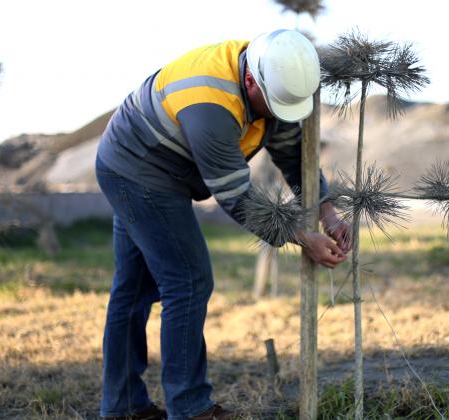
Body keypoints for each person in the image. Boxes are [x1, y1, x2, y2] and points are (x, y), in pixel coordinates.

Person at [95, 29, 351, 420]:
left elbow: (294, 156)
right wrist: (303, 238)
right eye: (276, 103)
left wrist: (327, 210)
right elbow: (236, 196)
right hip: (139, 170)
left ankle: (123, 407)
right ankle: (190, 407)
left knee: (134, 289)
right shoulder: (210, 105)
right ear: (251, 81)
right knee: (188, 280)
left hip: (151, 164)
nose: (281, 112)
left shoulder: (271, 81)